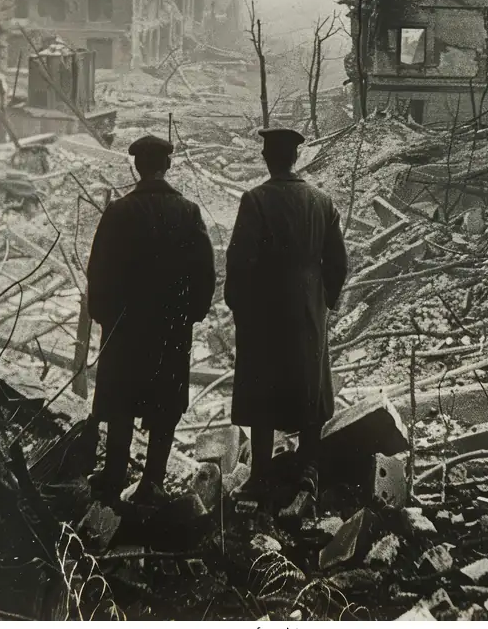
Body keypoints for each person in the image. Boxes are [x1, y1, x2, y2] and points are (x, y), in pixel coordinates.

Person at [86, 133, 215, 504]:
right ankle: (152, 482)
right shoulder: (188, 212)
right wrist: (193, 313)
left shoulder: (118, 211)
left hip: (125, 328)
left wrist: (104, 316)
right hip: (170, 328)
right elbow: (204, 272)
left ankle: (112, 477)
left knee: (122, 401)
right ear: (167, 165)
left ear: (137, 167)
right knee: (165, 404)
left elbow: (100, 271)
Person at [224, 127, 347, 501]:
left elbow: (239, 261)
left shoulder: (255, 200)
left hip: (265, 308)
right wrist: (325, 300)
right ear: (296, 158)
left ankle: (260, 472)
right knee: (308, 381)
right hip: (309, 305)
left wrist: (238, 304)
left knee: (263, 382)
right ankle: (308, 468)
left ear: (267, 158)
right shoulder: (322, 201)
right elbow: (339, 263)